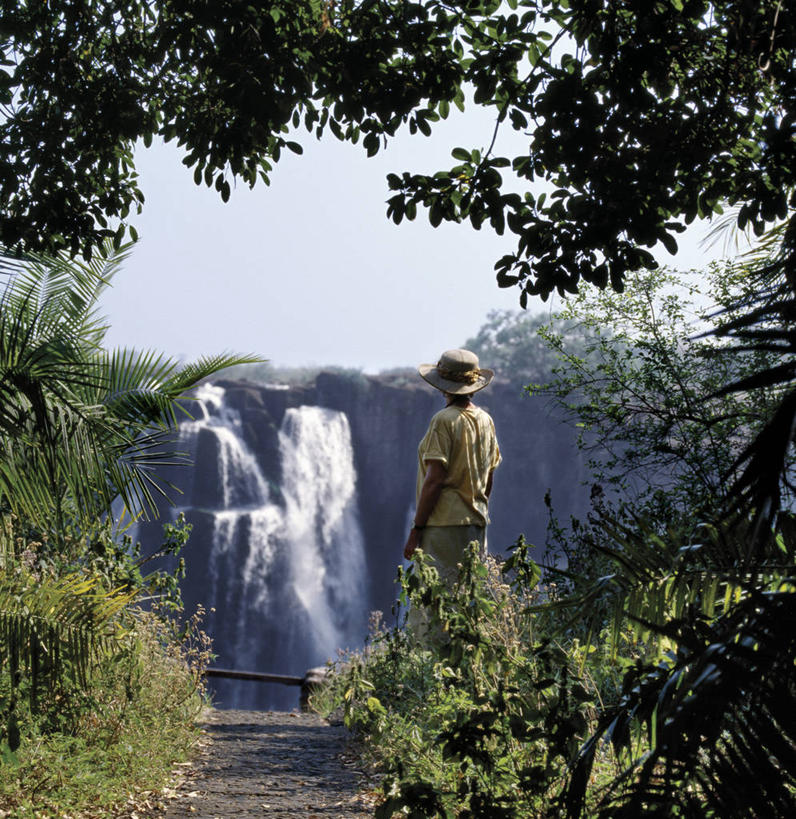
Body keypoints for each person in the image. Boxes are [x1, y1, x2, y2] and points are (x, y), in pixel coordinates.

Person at [403, 348, 501, 609]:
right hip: (476, 523)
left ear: (442, 386)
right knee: (467, 601)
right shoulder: (485, 420)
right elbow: (489, 477)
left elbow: (435, 479)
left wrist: (417, 529)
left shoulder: (443, 420)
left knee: (435, 603)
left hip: (443, 525)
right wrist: (475, 507)